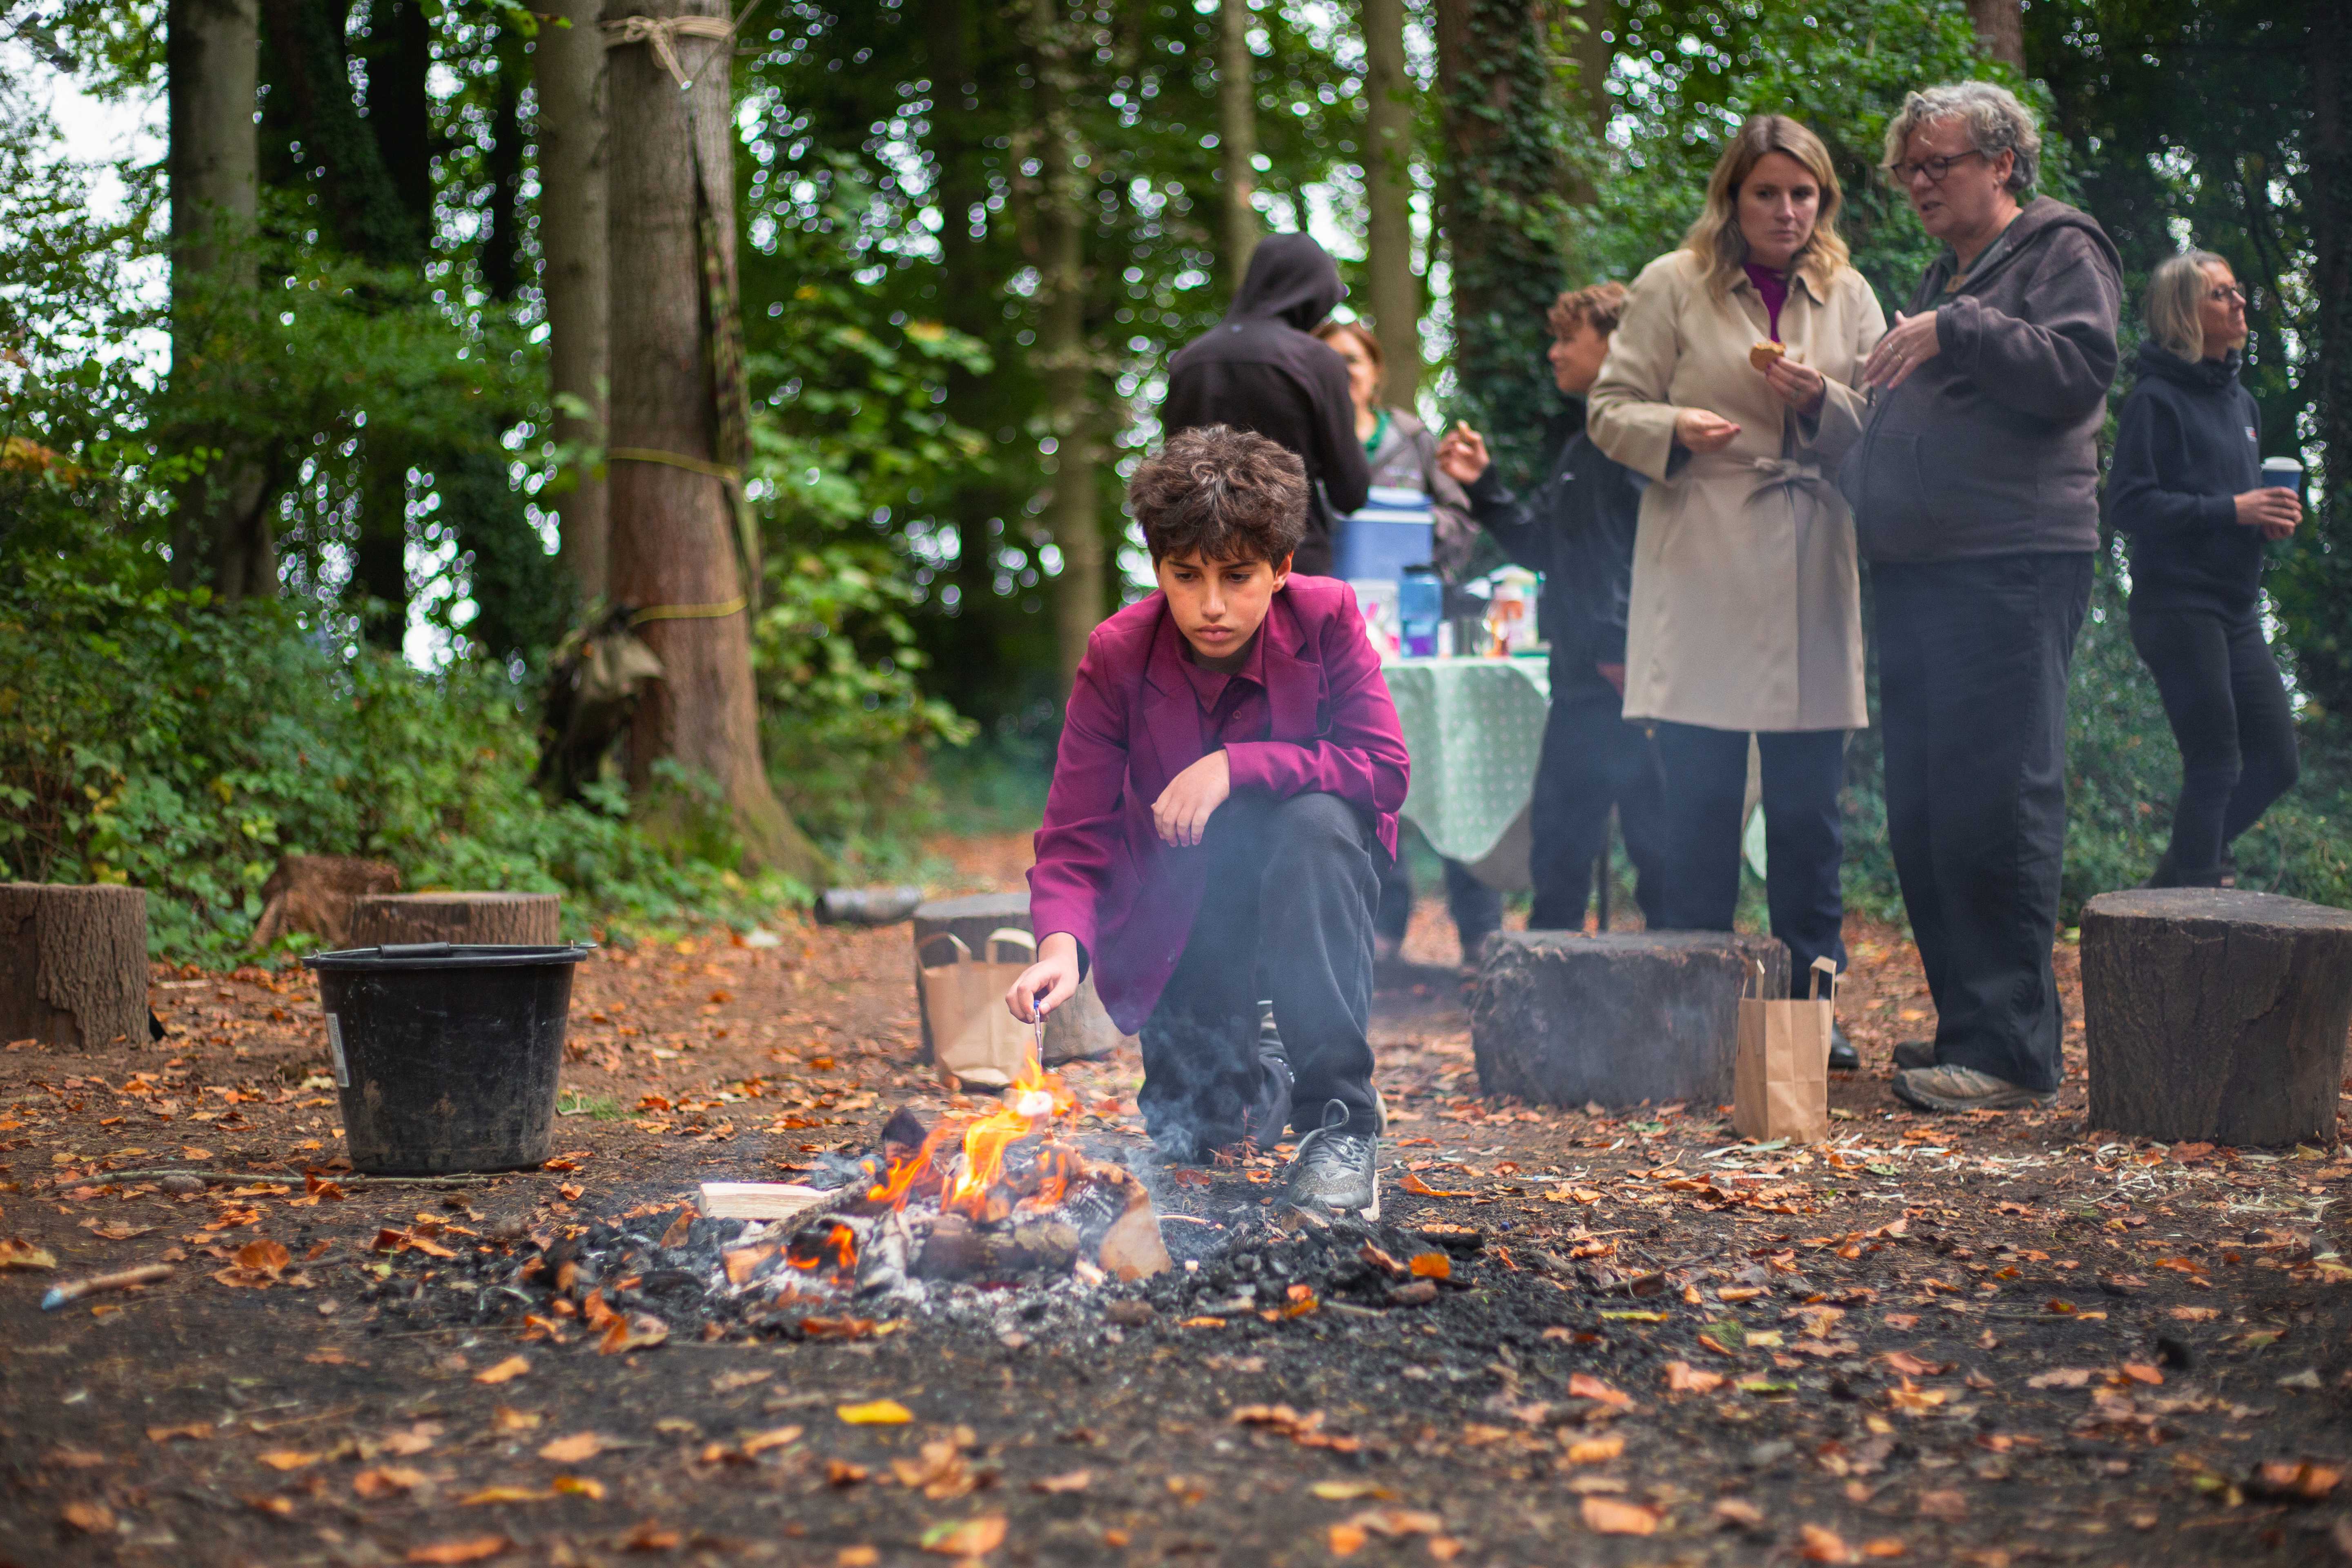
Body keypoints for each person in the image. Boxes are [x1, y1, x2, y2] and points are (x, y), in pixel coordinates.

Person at [1009, 425, 1409, 1217]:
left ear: (1282, 569)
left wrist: (1239, 764)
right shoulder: (1119, 654)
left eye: (1238, 576)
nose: (1213, 605)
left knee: (1319, 821)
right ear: (1158, 570)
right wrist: (1060, 946)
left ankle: (1340, 1121)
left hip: (1309, 877)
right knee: (1194, 1131)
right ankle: (1268, 1057)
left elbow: (1383, 772)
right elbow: (1073, 832)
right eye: (1186, 577)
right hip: (1186, 908)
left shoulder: (1327, 618)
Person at [1839, 81, 2123, 1114]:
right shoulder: (1949, 272)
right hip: (1921, 566)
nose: (1917, 182)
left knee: (1995, 799)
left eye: (1938, 163)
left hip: (2010, 561)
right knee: (1923, 808)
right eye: (1906, 168)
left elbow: (2078, 372)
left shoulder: (2059, 248)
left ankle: (2009, 1050)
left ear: (2001, 162)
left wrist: (1954, 328)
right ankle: (1967, 1024)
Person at [1584, 114, 1885, 1071]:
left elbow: (1888, 426)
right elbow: (1607, 408)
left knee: (1808, 813)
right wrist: (1674, 423)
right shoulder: (1669, 284)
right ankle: (1697, 1011)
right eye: (1765, 192)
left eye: (1802, 194)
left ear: (1822, 201)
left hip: (1806, 554)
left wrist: (1820, 402)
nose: (1784, 210)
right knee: (1700, 804)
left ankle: (1811, 1008)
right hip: (1701, 550)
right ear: (1731, 195)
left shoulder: (1848, 294)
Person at [1433, 283, 1670, 936]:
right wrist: (1484, 487)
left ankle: (1680, 1017)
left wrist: (1621, 651)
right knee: (1560, 856)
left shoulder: (1641, 441)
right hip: (1581, 681)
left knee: (1663, 861)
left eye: (1569, 338)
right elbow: (1546, 545)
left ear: (1617, 343)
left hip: (1629, 683)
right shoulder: (1583, 446)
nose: (1553, 352)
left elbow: (1645, 556)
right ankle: (1549, 1018)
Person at [1314, 318, 1503, 968]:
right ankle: (1383, 927)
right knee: (1361, 777)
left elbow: (1460, 517)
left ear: (1375, 370)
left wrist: (1411, 530)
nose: (1342, 371)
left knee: (1450, 770)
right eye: (1327, 359)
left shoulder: (1413, 438)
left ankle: (1480, 930)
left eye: (1353, 360)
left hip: (1417, 630)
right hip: (1335, 641)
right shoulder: (1305, 439)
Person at [2112, 250, 2301, 888]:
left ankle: (2175, 881)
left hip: (2236, 609)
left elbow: (2232, 509)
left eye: (2237, 290)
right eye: (2221, 295)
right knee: (2216, 762)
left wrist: (2262, 518)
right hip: (2176, 606)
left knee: (2276, 760)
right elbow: (2129, 506)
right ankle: (2190, 906)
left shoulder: (2242, 404)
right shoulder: (2153, 400)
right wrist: (2233, 509)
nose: (2240, 303)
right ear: (2184, 314)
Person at [1163, 235, 1372, 576]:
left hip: (1200, 571)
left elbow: (1171, 479)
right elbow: (1350, 492)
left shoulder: (1188, 361)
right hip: (1291, 567)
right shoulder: (1317, 361)